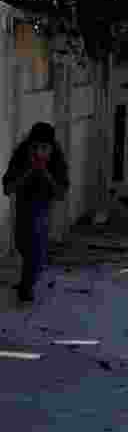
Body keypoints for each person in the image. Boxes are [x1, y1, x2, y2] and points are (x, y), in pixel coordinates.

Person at [2, 122, 70, 303]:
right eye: (35, 147)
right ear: (29, 146)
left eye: (44, 148)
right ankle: (29, 276)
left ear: (51, 147)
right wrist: (29, 171)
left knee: (35, 247)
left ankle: (27, 286)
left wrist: (45, 173)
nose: (39, 152)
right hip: (23, 204)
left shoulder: (57, 160)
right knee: (22, 244)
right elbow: (8, 189)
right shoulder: (21, 155)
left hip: (43, 206)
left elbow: (61, 194)